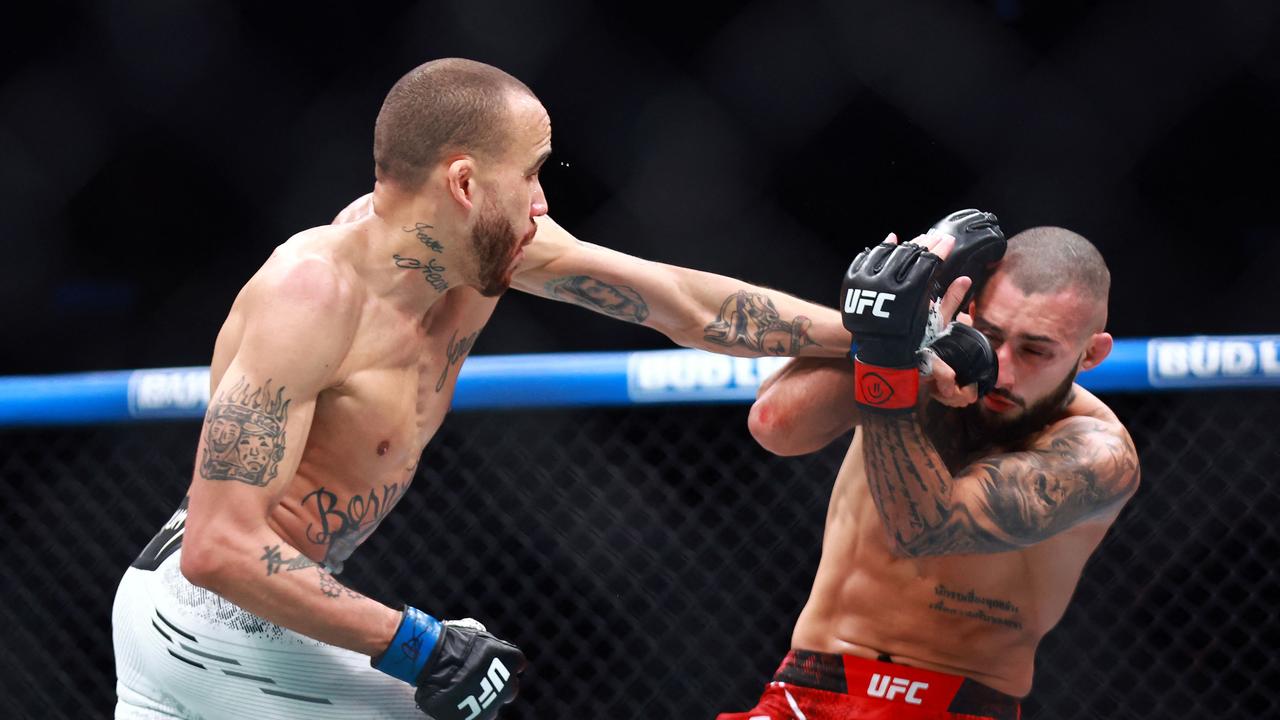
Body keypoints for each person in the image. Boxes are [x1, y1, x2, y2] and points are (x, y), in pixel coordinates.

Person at [111, 58, 851, 720]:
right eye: (531, 172)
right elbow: (217, 546)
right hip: (204, 617)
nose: (540, 202)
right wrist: (418, 645)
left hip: (252, 615)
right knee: (457, 696)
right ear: (465, 183)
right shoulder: (312, 296)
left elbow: (684, 305)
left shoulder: (484, 252)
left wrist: (875, 334)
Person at [719, 218, 1140, 719]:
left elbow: (923, 529)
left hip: (957, 704)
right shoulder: (922, 358)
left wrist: (887, 373)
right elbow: (775, 425)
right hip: (810, 688)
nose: (1002, 367)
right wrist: (883, 331)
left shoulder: (1096, 450)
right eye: (991, 334)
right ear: (970, 309)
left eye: (1034, 350)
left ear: (1091, 352)